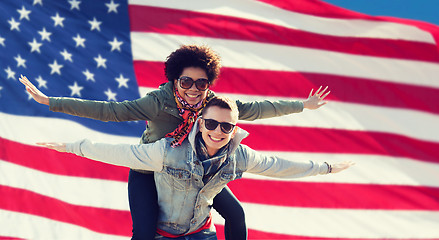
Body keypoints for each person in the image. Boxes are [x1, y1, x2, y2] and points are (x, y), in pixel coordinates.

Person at [19, 44, 330, 240]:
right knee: (144, 232)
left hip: (195, 170)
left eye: (201, 83)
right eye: (186, 82)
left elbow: (258, 109)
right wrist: (52, 101)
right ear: (174, 81)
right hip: (151, 167)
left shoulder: (214, 104)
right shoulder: (158, 101)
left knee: (235, 214)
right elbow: (111, 111)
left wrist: (303, 105)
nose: (194, 89)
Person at [38, 96, 353, 240]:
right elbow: (120, 151)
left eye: (226, 127)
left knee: (237, 212)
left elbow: (278, 166)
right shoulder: (168, 151)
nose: (218, 131)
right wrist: (72, 146)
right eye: (212, 124)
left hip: (201, 233)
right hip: (163, 231)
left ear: (234, 128)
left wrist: (325, 167)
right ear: (200, 123)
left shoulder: (239, 155)